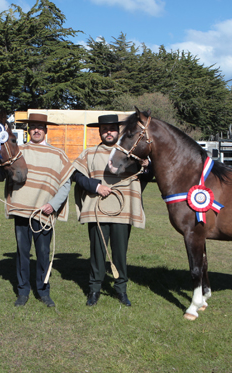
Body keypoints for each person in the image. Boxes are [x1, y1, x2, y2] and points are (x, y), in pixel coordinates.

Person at [0, 113, 73, 307]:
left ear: (46, 130)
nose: (36, 130)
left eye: (40, 126)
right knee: (22, 253)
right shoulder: (19, 150)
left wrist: (54, 204)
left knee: (43, 253)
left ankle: (43, 292)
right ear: (28, 129)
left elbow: (66, 184)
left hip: (44, 212)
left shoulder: (58, 155)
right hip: (21, 210)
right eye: (33, 126)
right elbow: (4, 172)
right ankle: (23, 291)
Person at [72, 114, 148, 307]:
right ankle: (94, 289)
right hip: (97, 209)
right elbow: (76, 175)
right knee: (98, 252)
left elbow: (145, 176)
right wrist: (96, 187)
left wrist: (147, 166)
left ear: (118, 131)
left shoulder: (130, 153)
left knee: (120, 252)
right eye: (104, 129)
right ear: (99, 131)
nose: (108, 132)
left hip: (122, 210)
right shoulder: (89, 153)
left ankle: (121, 289)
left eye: (112, 129)